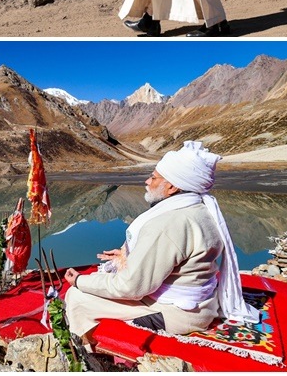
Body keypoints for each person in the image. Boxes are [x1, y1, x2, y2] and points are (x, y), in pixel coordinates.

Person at [63, 141, 259, 348]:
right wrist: (126, 255)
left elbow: (131, 287)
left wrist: (79, 281)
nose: (147, 181)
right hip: (203, 304)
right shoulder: (201, 210)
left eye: (154, 177)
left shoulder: (168, 224)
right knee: (101, 279)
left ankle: (86, 350)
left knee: (77, 296)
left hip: (177, 313)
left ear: (172, 186)